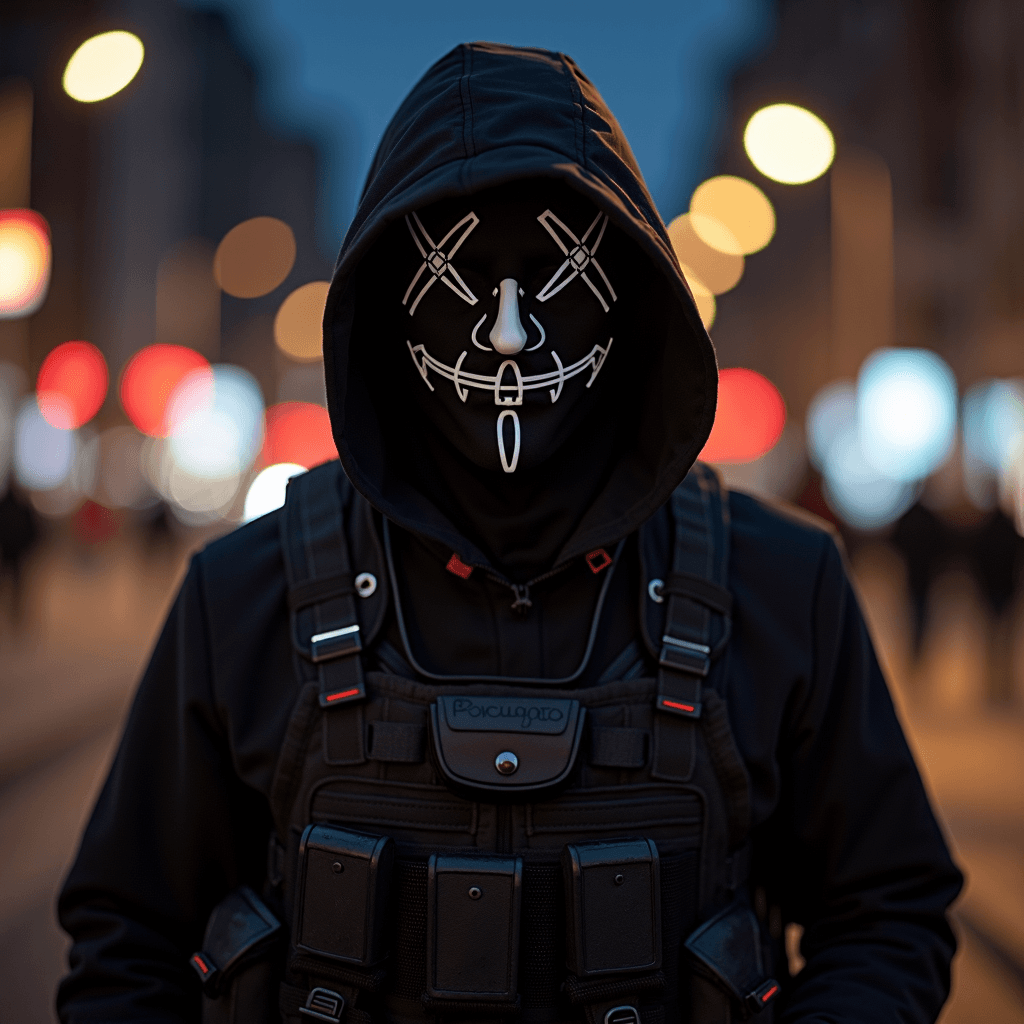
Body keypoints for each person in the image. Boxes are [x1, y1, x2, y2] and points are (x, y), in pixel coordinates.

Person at [58, 42, 961, 1024]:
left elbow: (886, 911)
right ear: (382, 293)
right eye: (458, 274)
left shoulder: (784, 588)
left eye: (554, 272)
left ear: (634, 290)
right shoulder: (244, 595)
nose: (506, 332)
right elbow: (126, 936)